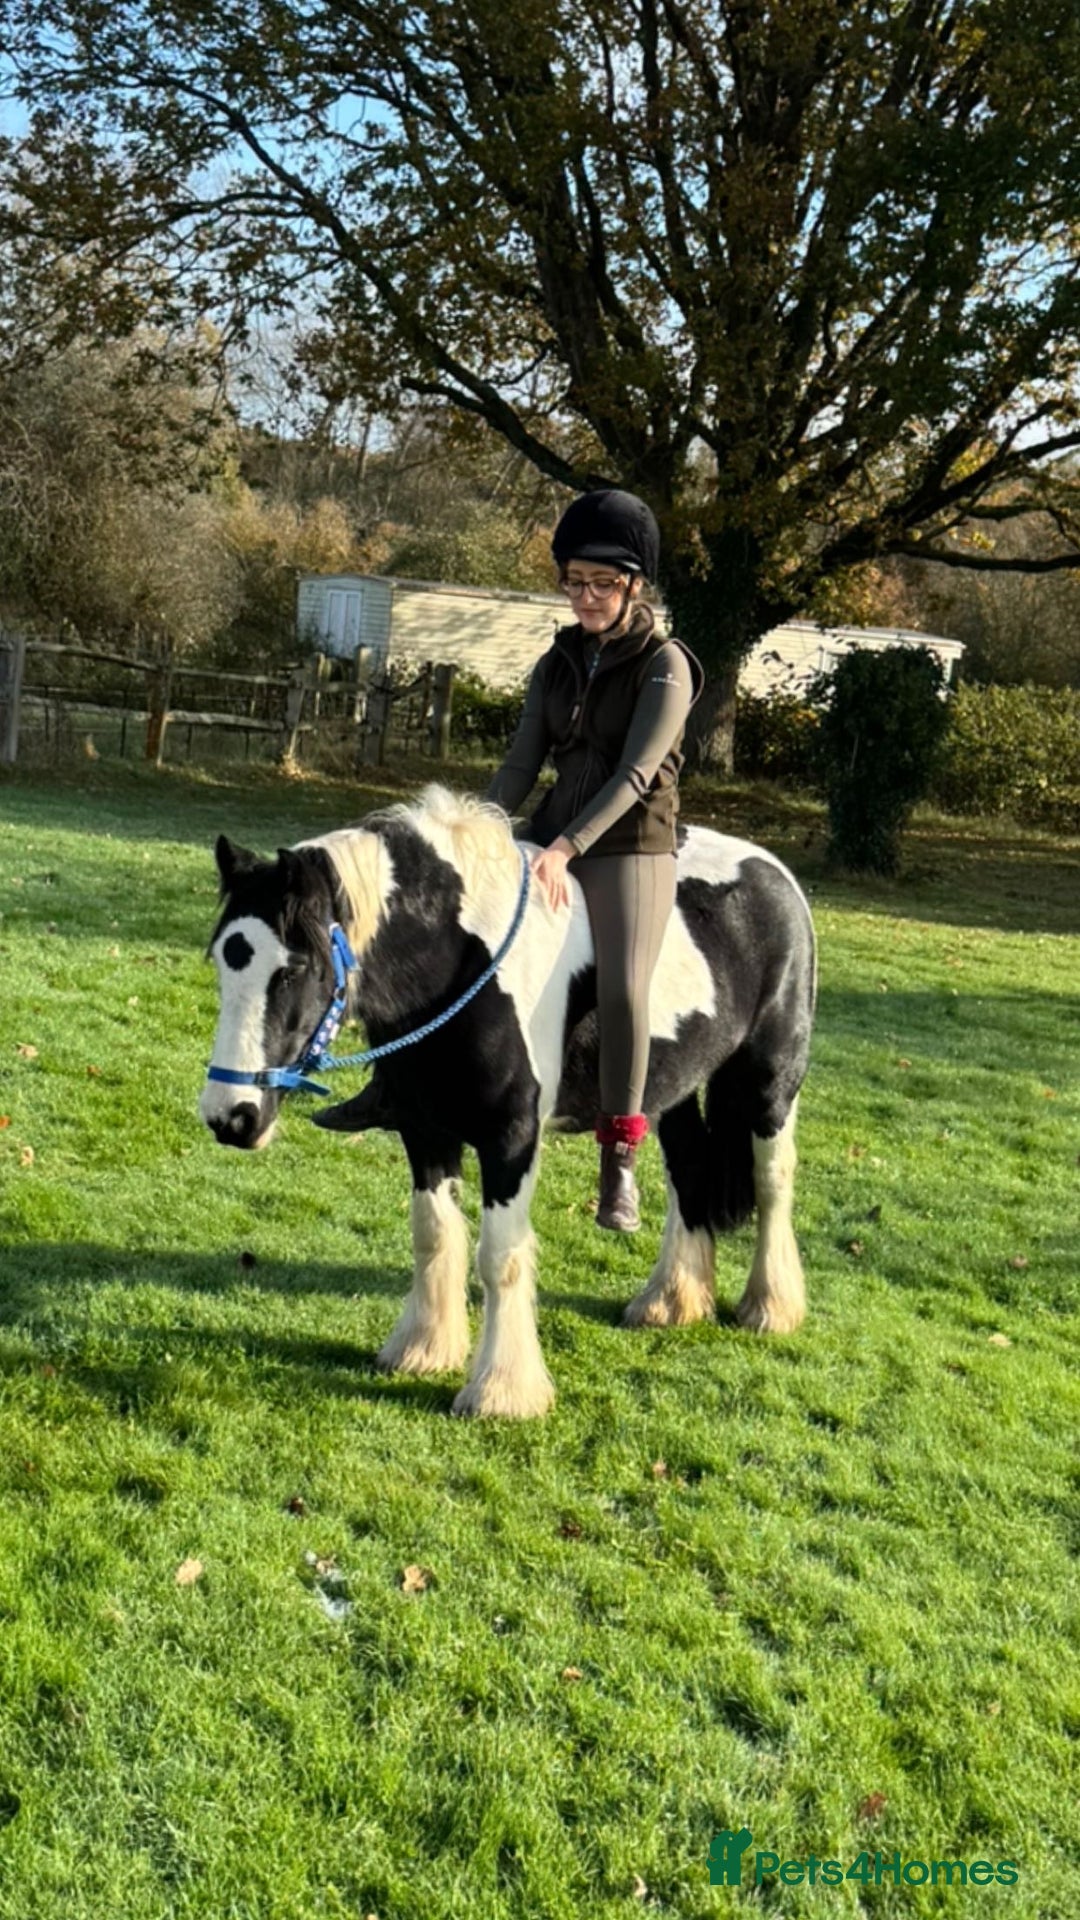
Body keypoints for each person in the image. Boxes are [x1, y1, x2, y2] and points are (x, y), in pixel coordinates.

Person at [487, 487, 703, 1232]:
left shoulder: (666, 665)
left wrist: (567, 848)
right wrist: (478, 830)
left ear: (635, 585)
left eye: (601, 584)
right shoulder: (557, 660)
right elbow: (521, 763)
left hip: (628, 844)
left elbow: (636, 775)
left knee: (623, 991)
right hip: (552, 830)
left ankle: (619, 1160)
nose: (584, 597)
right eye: (574, 581)